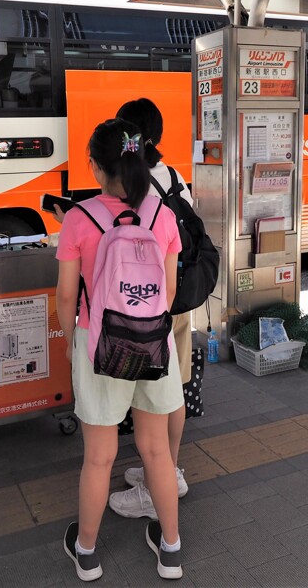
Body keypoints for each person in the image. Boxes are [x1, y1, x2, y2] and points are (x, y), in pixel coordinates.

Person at [56, 118, 185, 581]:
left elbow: (67, 300)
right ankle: (170, 549)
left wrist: (74, 339)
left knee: (99, 456)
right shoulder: (162, 215)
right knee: (156, 451)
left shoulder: (78, 218)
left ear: (95, 167)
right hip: (154, 341)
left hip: (99, 343)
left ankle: (87, 553)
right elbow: (168, 295)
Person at [108, 97, 192, 520]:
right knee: (171, 386)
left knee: (154, 394)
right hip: (175, 300)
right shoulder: (174, 176)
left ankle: (164, 479)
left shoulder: (129, 184)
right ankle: (164, 470)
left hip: (141, 304)